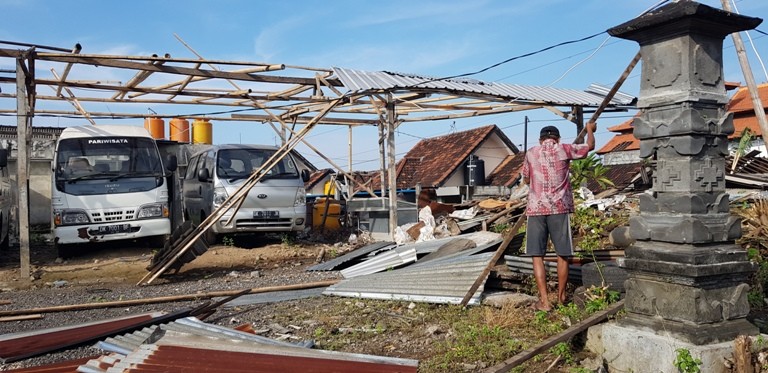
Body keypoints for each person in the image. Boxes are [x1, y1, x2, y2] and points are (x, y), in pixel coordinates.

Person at [522, 122, 596, 312]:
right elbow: (590, 147)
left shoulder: (531, 153)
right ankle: (562, 297)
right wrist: (589, 129)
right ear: (557, 139)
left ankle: (545, 302)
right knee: (563, 254)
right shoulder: (564, 150)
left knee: (537, 256)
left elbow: (526, 178)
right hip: (559, 209)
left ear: (540, 140)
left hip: (536, 209)